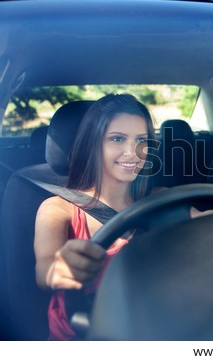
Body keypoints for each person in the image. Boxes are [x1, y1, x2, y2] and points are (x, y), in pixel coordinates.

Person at [34, 94, 160, 340]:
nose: (132, 153)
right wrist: (61, 266)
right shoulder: (58, 209)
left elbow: (207, 223)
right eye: (117, 139)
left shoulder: (161, 199)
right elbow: (44, 269)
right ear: (93, 144)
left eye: (141, 140)